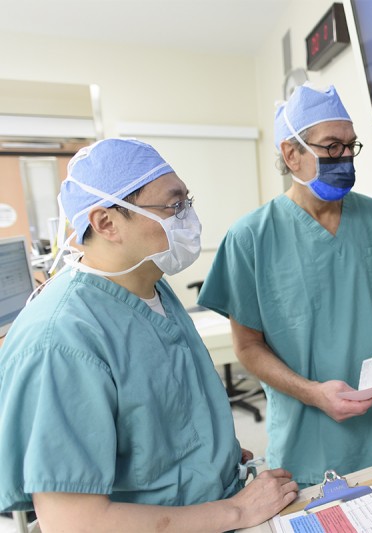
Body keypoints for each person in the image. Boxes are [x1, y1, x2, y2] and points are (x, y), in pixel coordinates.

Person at [0, 138, 297, 532]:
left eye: (186, 203)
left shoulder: (150, 284)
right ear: (106, 223)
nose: (188, 218)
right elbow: (74, 522)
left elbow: (161, 415)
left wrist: (212, 460)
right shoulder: (62, 340)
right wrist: (238, 511)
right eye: (173, 207)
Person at [198, 84, 372, 488]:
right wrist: (313, 394)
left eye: (350, 146)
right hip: (310, 442)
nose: (344, 158)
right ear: (292, 154)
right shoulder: (251, 238)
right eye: (331, 147)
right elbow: (248, 348)